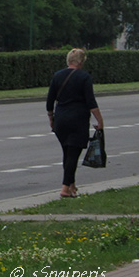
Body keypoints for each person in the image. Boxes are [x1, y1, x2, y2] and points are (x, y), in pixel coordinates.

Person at [46, 48, 104, 198]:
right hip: (78, 119)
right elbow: (91, 102)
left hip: (61, 119)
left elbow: (50, 100)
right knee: (73, 153)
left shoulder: (57, 76)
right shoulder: (84, 77)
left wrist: (51, 118)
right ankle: (65, 188)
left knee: (67, 152)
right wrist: (100, 120)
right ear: (81, 61)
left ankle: (72, 186)